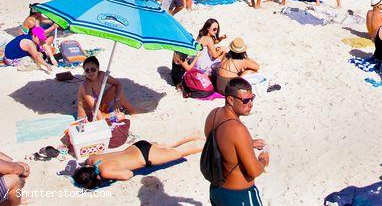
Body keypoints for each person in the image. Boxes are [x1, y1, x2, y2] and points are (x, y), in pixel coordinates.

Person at [203, 78, 269, 206]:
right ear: (230, 100)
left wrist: (248, 143)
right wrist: (263, 161)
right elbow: (254, 171)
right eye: (245, 100)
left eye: (252, 98)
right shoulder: (238, 130)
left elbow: (220, 146)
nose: (250, 104)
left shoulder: (214, 114)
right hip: (239, 195)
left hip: (217, 191)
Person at [72, 135, 205, 188]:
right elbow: (88, 160)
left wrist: (110, 178)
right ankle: (195, 135)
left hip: (146, 157)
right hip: (138, 146)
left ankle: (205, 146)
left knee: (181, 153)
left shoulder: (105, 172)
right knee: (171, 144)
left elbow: (128, 174)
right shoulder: (92, 159)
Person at [77, 55, 139, 120]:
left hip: (99, 108)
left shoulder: (101, 76)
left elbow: (118, 84)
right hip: (88, 116)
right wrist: (102, 122)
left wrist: (116, 100)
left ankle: (132, 110)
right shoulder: (86, 85)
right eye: (87, 70)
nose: (90, 72)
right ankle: (111, 114)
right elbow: (94, 108)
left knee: (115, 89)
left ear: (98, 69)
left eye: (93, 70)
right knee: (120, 116)